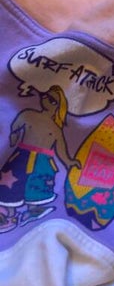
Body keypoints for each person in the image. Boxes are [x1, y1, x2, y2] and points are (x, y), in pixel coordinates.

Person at [0, 85, 80, 231]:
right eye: (45, 95)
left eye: (51, 99)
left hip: (43, 161)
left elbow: (61, 149)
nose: (45, 99)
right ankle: (8, 212)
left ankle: (32, 211)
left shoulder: (56, 129)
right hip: (22, 155)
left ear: (58, 107)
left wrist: (69, 161)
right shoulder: (28, 114)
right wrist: (13, 137)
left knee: (38, 185)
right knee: (11, 182)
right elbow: (15, 127)